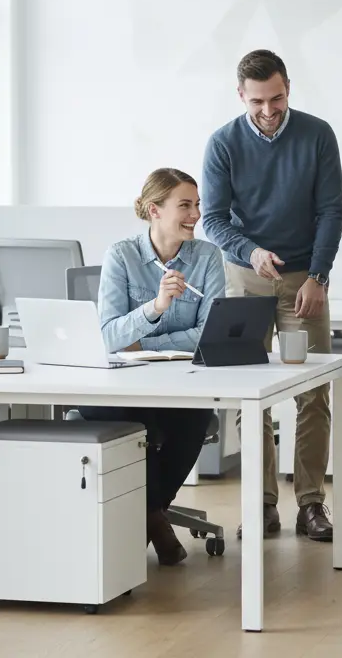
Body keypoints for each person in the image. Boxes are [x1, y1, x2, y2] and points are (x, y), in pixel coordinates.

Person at [201, 49, 342, 542]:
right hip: (247, 278)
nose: (268, 110)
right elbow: (213, 219)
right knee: (250, 393)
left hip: (305, 277)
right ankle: (261, 503)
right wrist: (251, 251)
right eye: (257, 101)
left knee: (313, 394)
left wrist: (319, 276)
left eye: (277, 98)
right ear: (241, 95)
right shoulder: (223, 143)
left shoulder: (317, 135)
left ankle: (311, 503)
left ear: (288, 89)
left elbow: (331, 211)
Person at [80, 168, 226, 566]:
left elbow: (209, 332)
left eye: (197, 205)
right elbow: (108, 335)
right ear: (154, 210)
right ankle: (154, 518)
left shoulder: (207, 257)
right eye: (185, 205)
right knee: (124, 418)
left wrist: (145, 342)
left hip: (182, 383)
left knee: (194, 416)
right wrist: (156, 307)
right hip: (124, 386)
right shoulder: (122, 255)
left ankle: (149, 511)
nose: (196, 214)